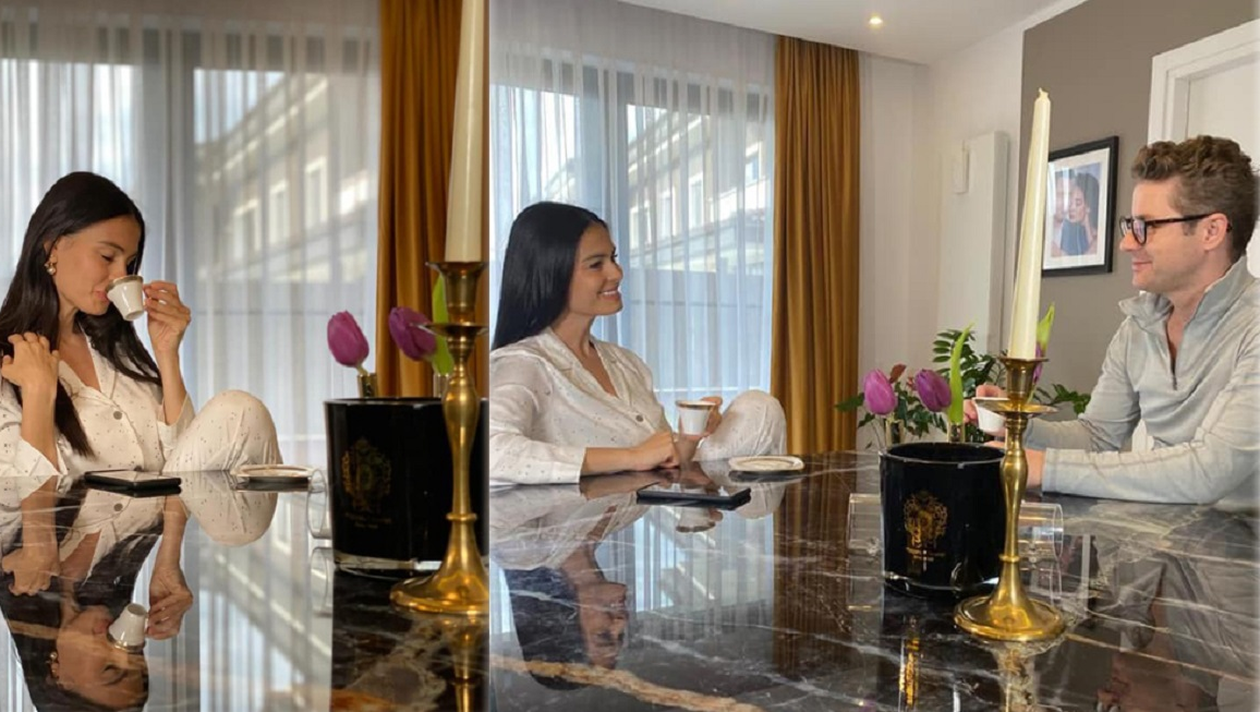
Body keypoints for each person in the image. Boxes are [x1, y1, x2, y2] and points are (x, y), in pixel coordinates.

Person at [0, 172, 282, 593]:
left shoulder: (117, 352)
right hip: (45, 557)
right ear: (53, 246)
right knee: (238, 409)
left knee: (239, 411)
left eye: (129, 264)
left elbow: (180, 463)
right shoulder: (10, 358)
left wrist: (167, 354)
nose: (121, 277)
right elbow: (16, 497)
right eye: (107, 257)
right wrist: (40, 395)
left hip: (172, 532)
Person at [965, 136, 1259, 508]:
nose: (1127, 243)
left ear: (1211, 231)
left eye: (1146, 226)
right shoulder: (1140, 325)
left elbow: (1208, 470)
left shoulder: (1253, 327)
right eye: (1130, 225)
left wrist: (1047, 468)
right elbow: (1096, 436)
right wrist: (1018, 423)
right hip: (1161, 537)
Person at [490, 201, 786, 485]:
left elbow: (661, 463)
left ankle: (757, 518)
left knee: (759, 408)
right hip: (582, 515)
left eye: (613, 258)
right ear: (551, 273)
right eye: (596, 264)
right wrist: (631, 457)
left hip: (650, 502)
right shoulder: (523, 364)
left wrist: (688, 438)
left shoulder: (625, 363)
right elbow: (491, 454)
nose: (616, 273)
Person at [1059, 170, 1101, 256]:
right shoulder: (1067, 235)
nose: (1071, 208)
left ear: (1088, 206)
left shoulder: (1100, 237)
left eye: (1077, 203)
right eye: (1070, 202)